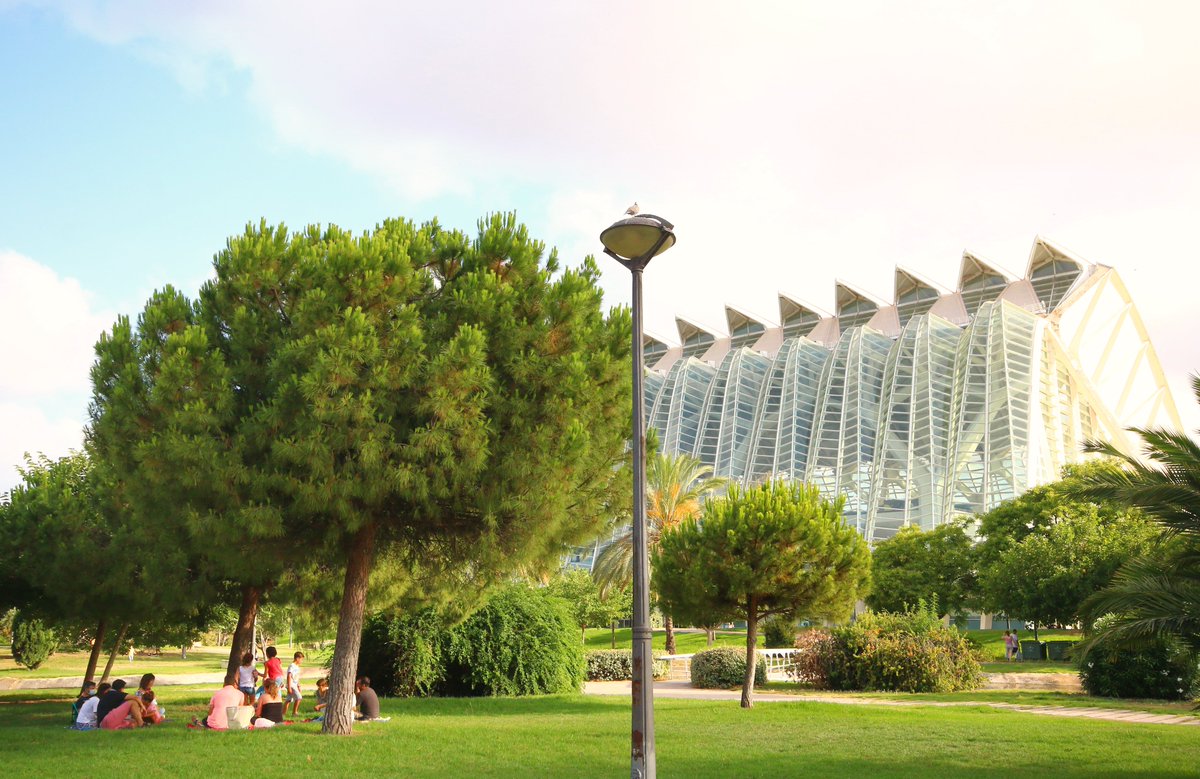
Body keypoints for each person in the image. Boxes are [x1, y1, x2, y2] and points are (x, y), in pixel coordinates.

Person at [285, 652, 304, 718]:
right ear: (297, 658)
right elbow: (289, 676)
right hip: (291, 684)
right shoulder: (292, 666)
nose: (302, 661)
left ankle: (283, 713)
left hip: (295, 684)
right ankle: (294, 712)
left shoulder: (297, 667)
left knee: (288, 699)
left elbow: (297, 677)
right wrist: (289, 687)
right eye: (301, 659)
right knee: (299, 697)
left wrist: (298, 685)